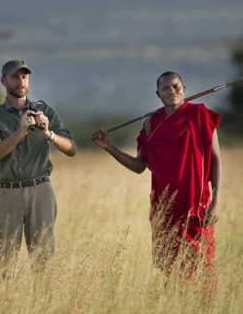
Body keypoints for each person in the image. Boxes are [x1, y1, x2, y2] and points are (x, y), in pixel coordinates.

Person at [91, 71, 221, 296]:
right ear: (158, 94)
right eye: (166, 88)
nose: (172, 91)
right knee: (170, 268)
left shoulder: (199, 115)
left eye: (176, 86)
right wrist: (109, 148)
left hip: (196, 207)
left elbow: (216, 160)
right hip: (165, 209)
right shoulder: (152, 124)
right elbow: (139, 166)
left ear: (184, 88)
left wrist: (217, 201)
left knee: (203, 266)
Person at [0, 60, 76, 276]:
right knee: (2, 260)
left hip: (40, 189)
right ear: (3, 81)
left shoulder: (45, 110)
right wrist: (20, 133)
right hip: (8, 191)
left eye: (24, 76)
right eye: (15, 77)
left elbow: (71, 149)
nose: (21, 81)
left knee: (43, 258)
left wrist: (48, 133)